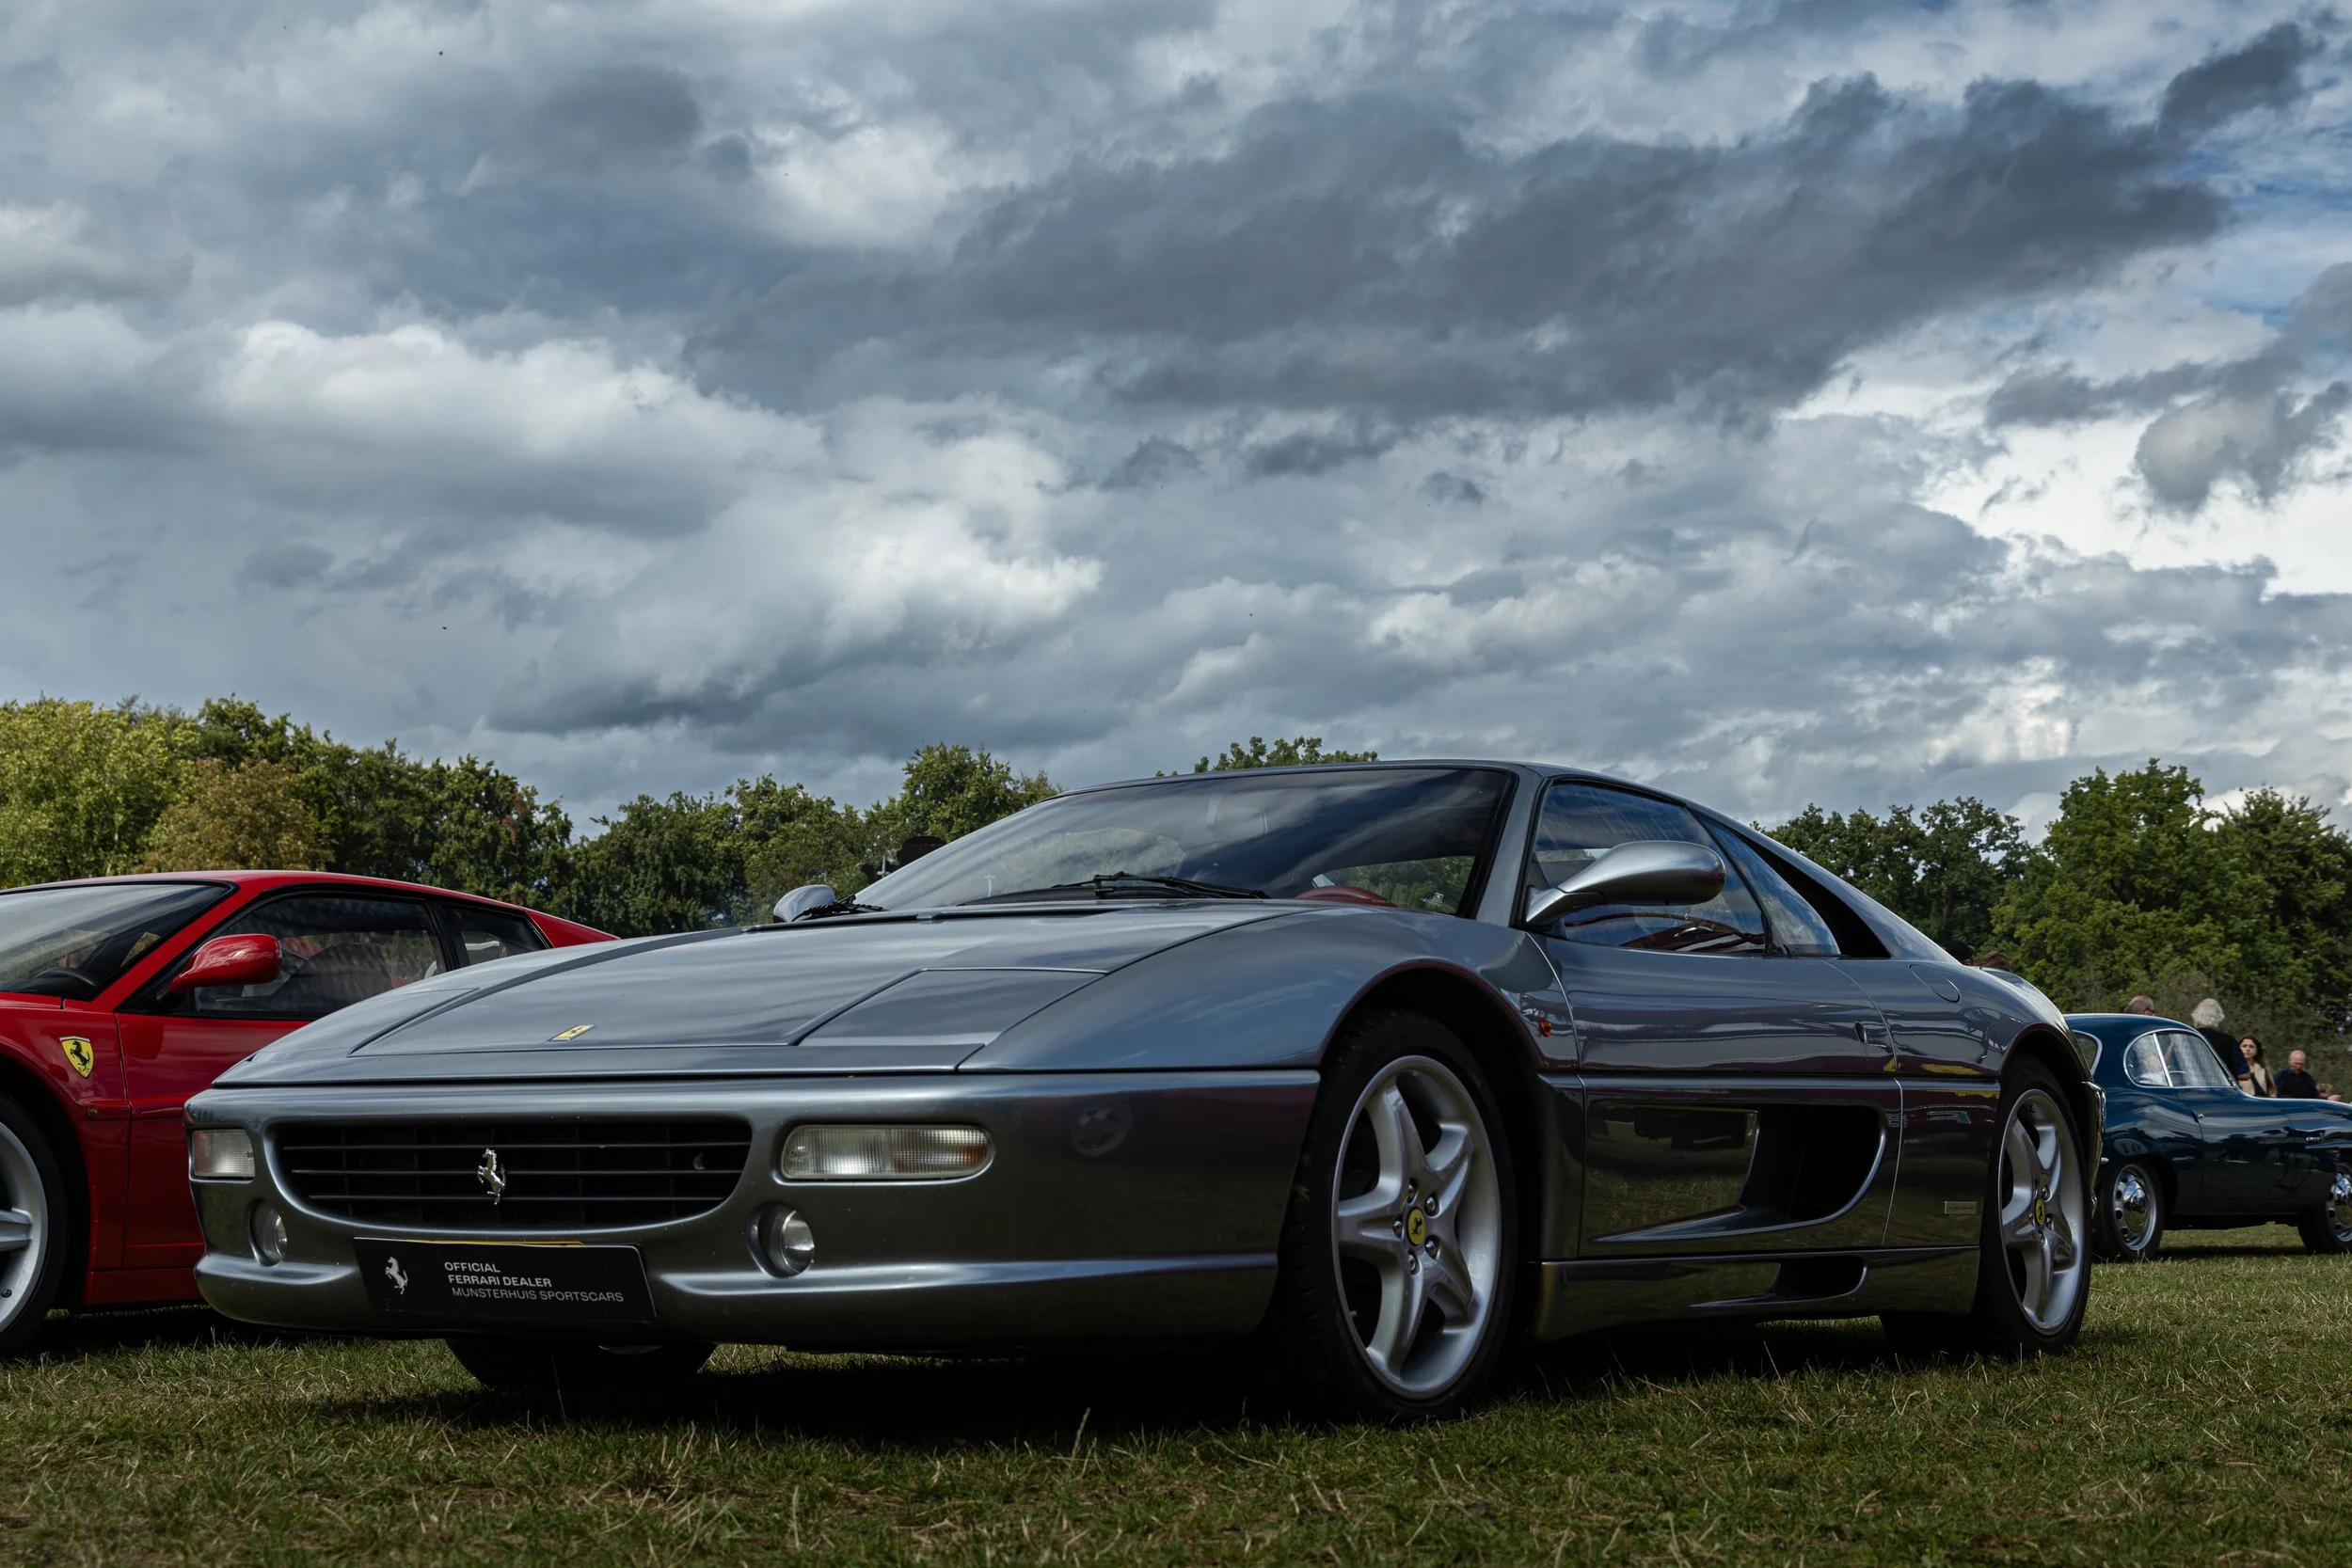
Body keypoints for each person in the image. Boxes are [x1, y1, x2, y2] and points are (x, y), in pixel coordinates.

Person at [2193, 998, 2253, 1087]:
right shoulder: (2229, 1041)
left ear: (2195, 1016)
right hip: (2223, 1090)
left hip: (2191, 1089)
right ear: (2219, 1018)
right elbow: (2244, 1074)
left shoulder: (2185, 1037)